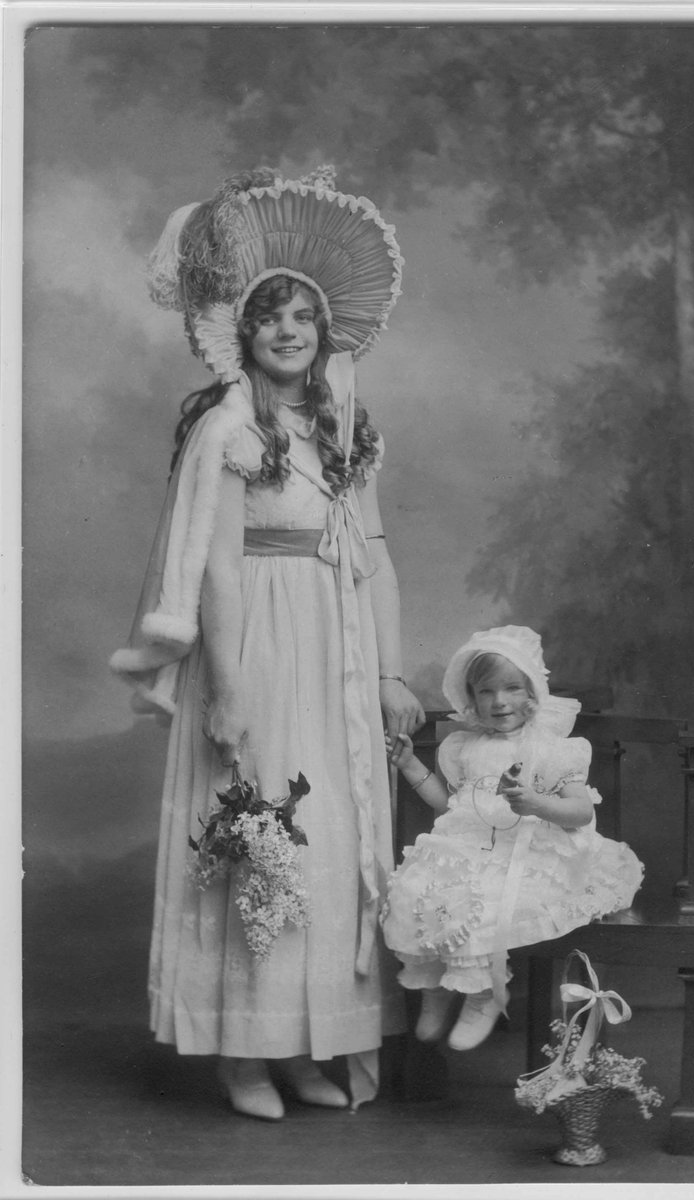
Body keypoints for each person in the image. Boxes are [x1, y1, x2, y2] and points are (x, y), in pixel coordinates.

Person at [111, 165, 424, 1120]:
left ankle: (304, 1045)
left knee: (328, 842)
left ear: (324, 332)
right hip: (257, 647)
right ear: (241, 334)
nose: (288, 332)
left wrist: (390, 672)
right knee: (261, 839)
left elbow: (373, 553)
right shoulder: (228, 428)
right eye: (268, 319)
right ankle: (242, 1053)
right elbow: (215, 570)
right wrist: (232, 687)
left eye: (302, 318)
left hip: (335, 650)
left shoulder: (343, 429)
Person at [380, 625, 644, 1052]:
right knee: (415, 889)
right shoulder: (464, 746)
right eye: (486, 691)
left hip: (529, 848)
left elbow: (581, 811)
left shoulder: (552, 747)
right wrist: (410, 766)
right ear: (472, 698)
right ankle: (435, 986)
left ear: (533, 693)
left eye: (511, 688)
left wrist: (538, 804)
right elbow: (450, 806)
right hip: (469, 844)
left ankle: (482, 993)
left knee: (483, 899)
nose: (499, 701)